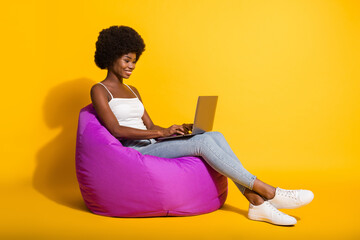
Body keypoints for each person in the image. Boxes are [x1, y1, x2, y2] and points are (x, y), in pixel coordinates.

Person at [90, 25, 314, 226]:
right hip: (135, 151)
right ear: (111, 57)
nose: (132, 66)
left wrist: (172, 129)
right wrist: (160, 132)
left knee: (213, 134)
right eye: (127, 60)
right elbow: (115, 130)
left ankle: (256, 202)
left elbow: (149, 124)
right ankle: (268, 191)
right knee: (203, 142)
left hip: (151, 142)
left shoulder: (133, 91)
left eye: (134, 61)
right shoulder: (100, 90)